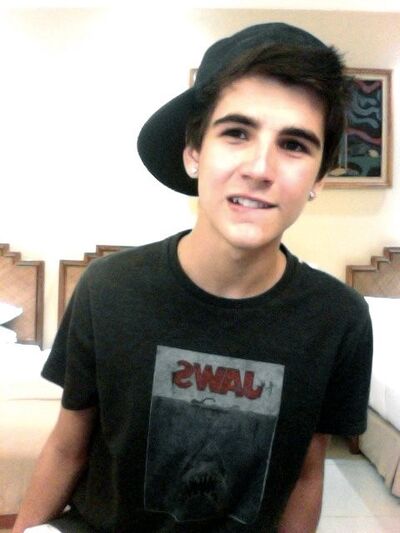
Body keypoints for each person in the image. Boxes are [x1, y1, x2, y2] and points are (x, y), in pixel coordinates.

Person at [13, 22, 372, 533]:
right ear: (193, 152)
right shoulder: (109, 288)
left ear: (318, 179)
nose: (260, 167)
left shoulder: (338, 319)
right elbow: (67, 448)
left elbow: (305, 476)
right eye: (237, 133)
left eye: (294, 144)